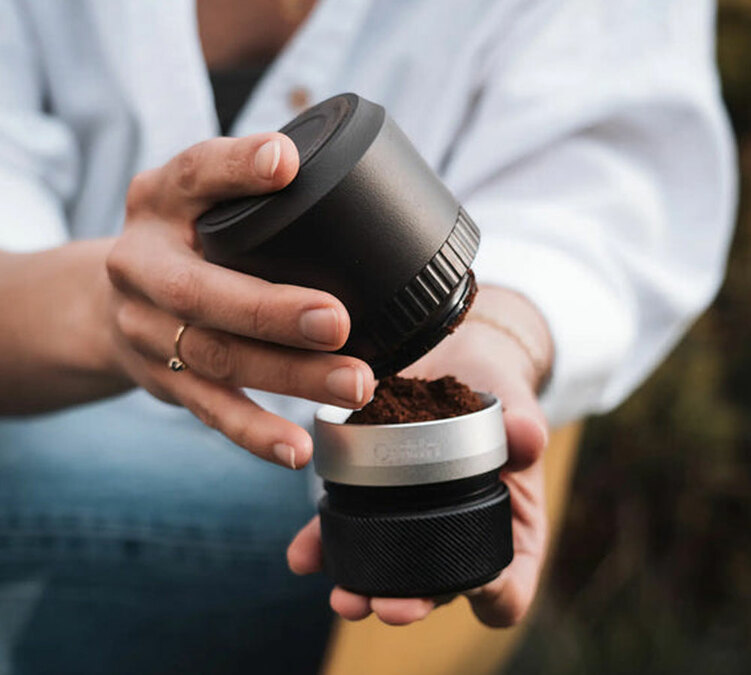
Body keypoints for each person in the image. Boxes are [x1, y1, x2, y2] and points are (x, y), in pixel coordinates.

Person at [0, 0, 735, 673]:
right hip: (54, 414)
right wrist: (114, 312)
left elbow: (607, 189)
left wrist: (491, 335)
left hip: (311, 489)